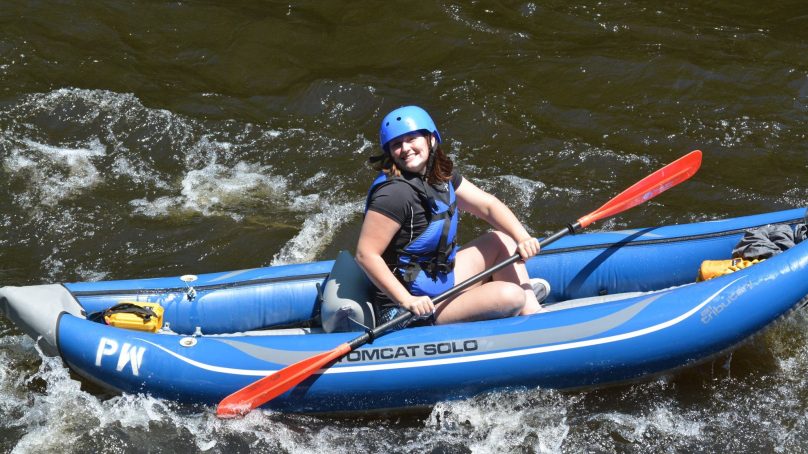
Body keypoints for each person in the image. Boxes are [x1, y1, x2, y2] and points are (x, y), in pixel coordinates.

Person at [355, 105, 548, 326]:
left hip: (438, 278)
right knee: (511, 296)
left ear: (431, 139)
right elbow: (366, 255)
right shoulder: (393, 194)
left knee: (502, 239)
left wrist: (522, 237)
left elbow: (487, 205)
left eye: (411, 139)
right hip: (411, 307)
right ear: (390, 152)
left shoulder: (438, 173)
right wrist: (407, 300)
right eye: (397, 144)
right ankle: (510, 301)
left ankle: (534, 314)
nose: (405, 148)